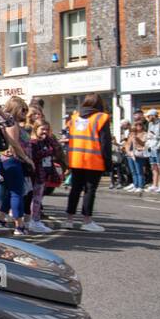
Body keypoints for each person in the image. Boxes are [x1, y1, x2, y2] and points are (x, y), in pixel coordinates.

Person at [64, 93, 112, 232]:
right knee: (89, 190)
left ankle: (69, 220)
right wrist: (108, 163)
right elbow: (105, 142)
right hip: (93, 160)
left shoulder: (74, 118)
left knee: (75, 189)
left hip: (76, 159)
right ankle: (87, 221)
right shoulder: (101, 118)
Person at [0, 95, 35, 235]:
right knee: (17, 192)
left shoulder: (11, 123)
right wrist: (27, 159)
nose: (26, 113)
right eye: (23, 109)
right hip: (13, 160)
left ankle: (1, 219)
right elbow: (14, 144)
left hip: (8, 160)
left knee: (11, 190)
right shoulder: (11, 124)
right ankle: (19, 225)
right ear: (15, 109)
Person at [28, 119, 65, 233]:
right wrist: (48, 151)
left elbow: (57, 150)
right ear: (36, 129)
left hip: (45, 173)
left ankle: (36, 219)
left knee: (39, 198)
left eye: (47, 129)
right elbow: (35, 156)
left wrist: (50, 139)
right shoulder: (33, 142)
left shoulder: (47, 142)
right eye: (42, 129)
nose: (45, 131)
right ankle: (33, 220)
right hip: (35, 174)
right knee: (34, 199)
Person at [145, 110, 160, 193]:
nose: (147, 118)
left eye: (149, 116)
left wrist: (156, 138)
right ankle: (155, 184)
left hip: (157, 147)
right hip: (151, 146)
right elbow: (149, 134)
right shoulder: (150, 124)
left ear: (153, 116)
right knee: (153, 166)